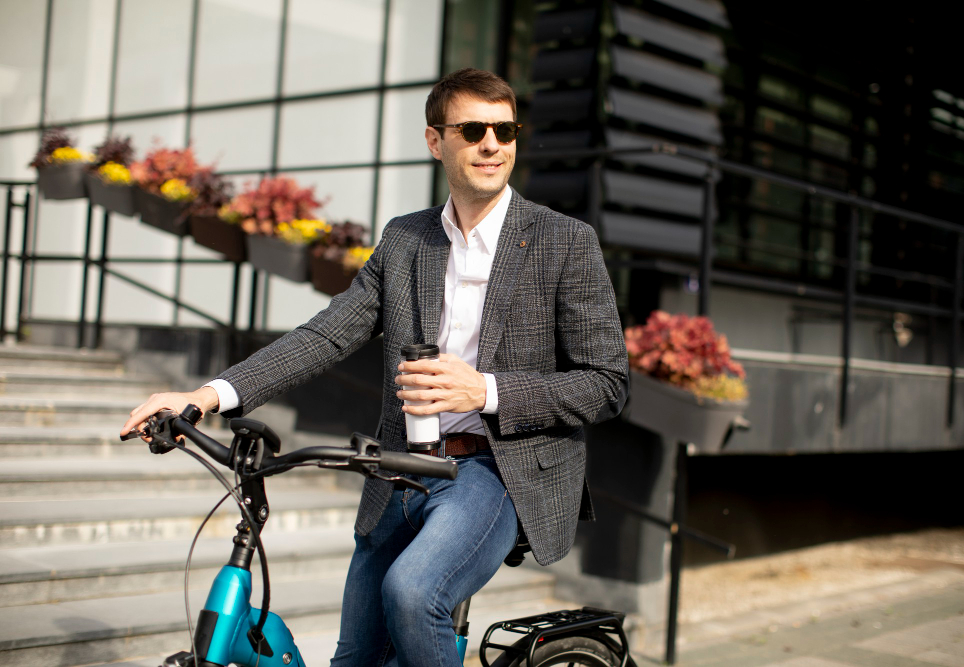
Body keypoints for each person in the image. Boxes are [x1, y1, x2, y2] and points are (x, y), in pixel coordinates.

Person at [121, 68, 628, 667]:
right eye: (472, 130)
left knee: (412, 594)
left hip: (496, 471)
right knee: (354, 658)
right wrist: (208, 395)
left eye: (505, 129)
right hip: (399, 470)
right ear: (435, 141)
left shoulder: (564, 241)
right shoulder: (406, 238)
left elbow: (607, 382)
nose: (492, 144)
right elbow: (327, 334)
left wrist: (484, 389)